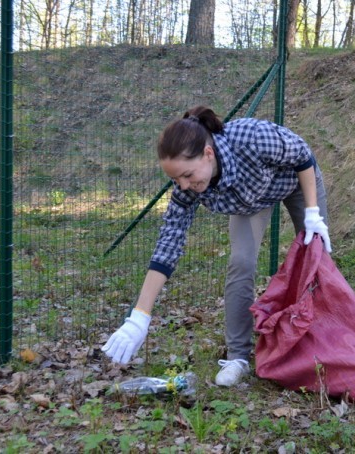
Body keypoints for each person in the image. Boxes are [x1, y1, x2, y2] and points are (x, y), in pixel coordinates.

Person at [101, 106, 331, 386]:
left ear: (208, 154)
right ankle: (238, 357)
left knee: (316, 257)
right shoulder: (187, 189)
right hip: (251, 203)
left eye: (187, 175)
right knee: (241, 263)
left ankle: (325, 342)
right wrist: (140, 315)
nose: (183, 185)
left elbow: (302, 155)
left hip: (295, 182)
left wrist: (312, 212)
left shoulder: (253, 138)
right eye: (176, 179)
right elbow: (168, 245)